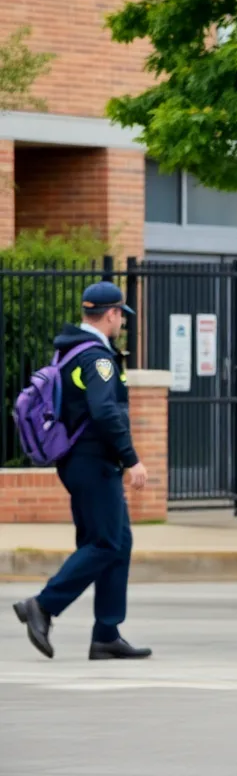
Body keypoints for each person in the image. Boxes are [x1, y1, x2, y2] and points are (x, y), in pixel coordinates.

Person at [12, 282, 151, 660]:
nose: (121, 321)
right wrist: (131, 458)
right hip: (93, 462)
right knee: (104, 542)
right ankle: (42, 606)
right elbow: (105, 411)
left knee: (117, 543)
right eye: (121, 315)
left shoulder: (71, 351)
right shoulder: (98, 359)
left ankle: (106, 633)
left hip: (81, 462)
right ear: (111, 314)